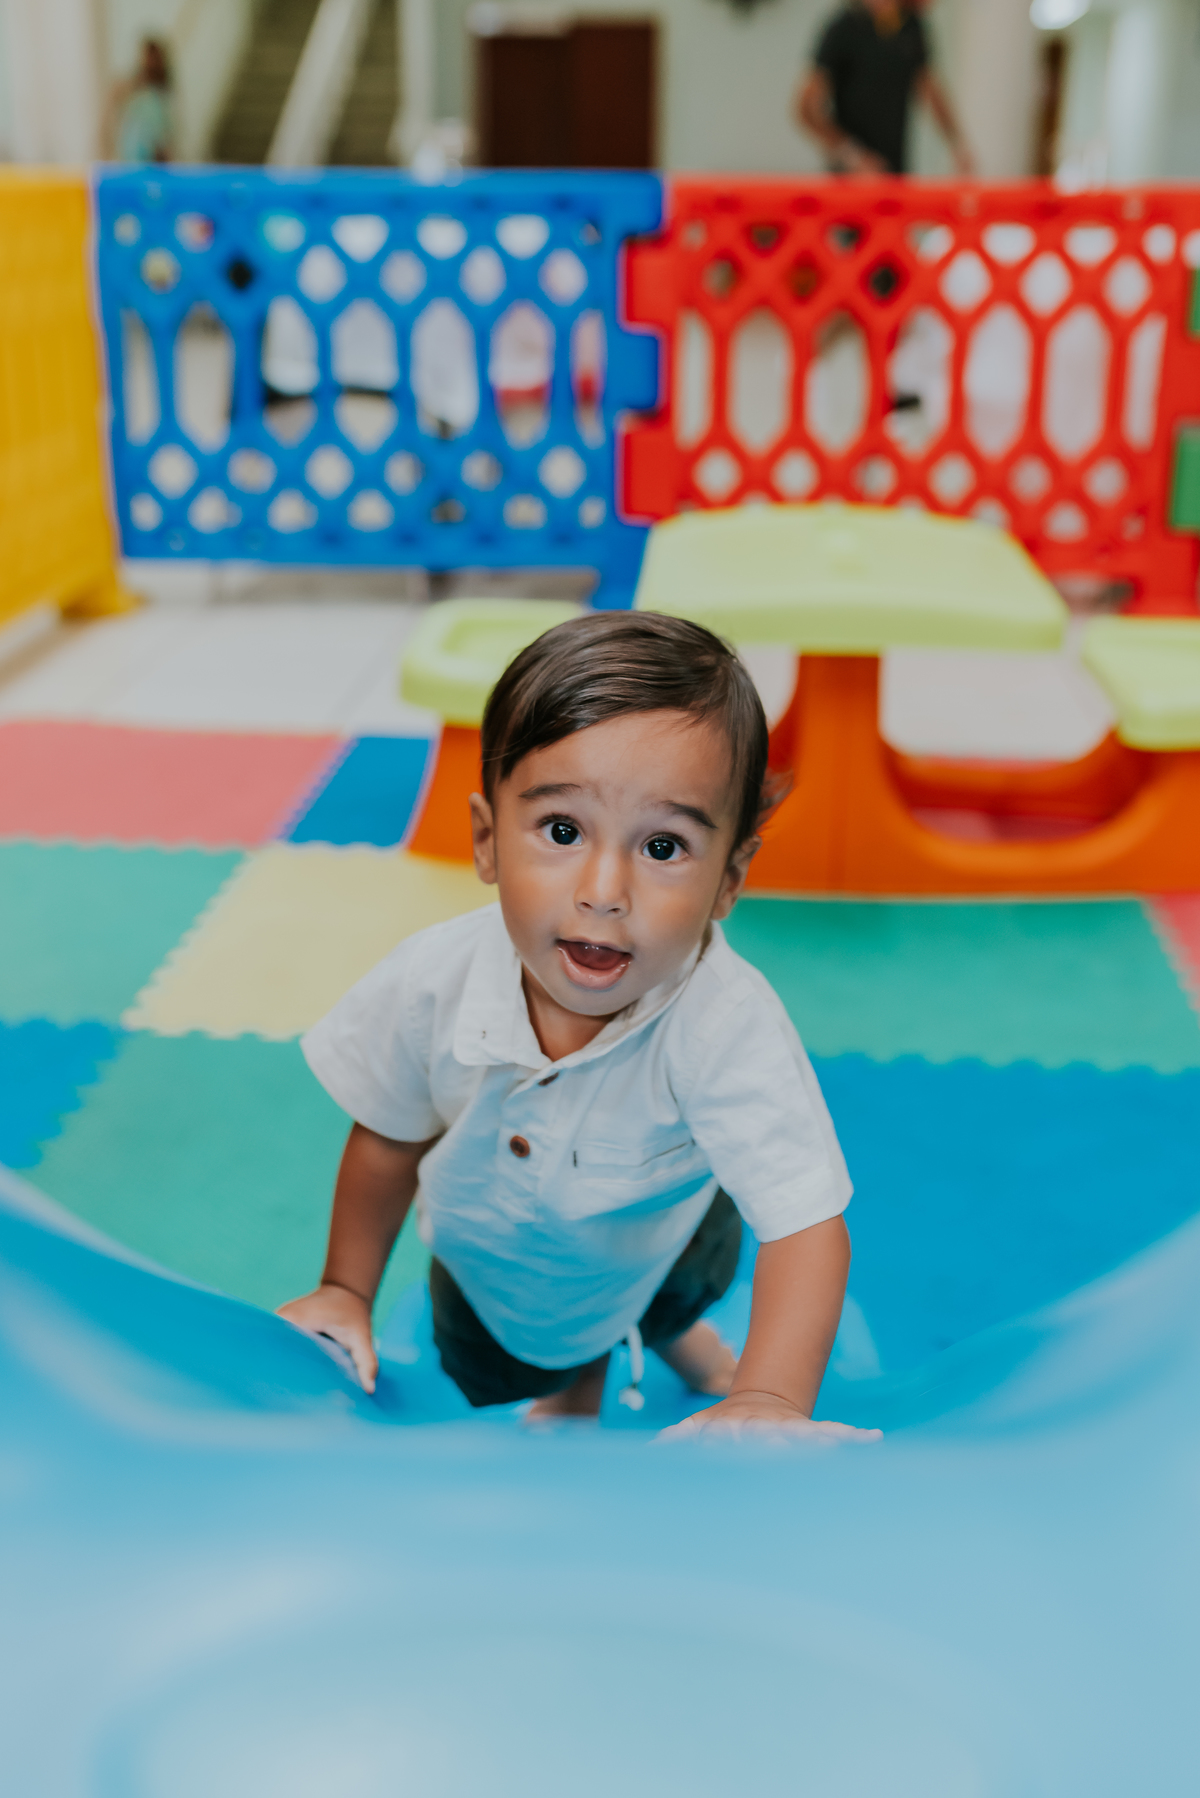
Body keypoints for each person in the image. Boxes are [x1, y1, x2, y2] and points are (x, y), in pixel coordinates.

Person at [279, 613, 880, 1444]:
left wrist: (769, 1400)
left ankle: (664, 1349)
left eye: (663, 846)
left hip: (664, 1234)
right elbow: (387, 1138)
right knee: (507, 1355)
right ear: (488, 841)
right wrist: (345, 1290)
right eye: (562, 832)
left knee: (665, 1294)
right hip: (496, 1259)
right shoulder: (432, 981)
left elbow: (805, 1223)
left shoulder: (727, 1023)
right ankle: (588, 1371)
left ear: (729, 879)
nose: (605, 889)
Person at [796, 0, 972, 176]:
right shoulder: (843, 27)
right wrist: (854, 156)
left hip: (894, 174)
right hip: (849, 181)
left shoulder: (911, 26)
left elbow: (931, 91)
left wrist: (957, 146)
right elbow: (805, 109)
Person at [112, 38, 173, 165]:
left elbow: (163, 130)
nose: (150, 61)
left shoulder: (161, 93)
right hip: (132, 155)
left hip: (153, 156)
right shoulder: (132, 86)